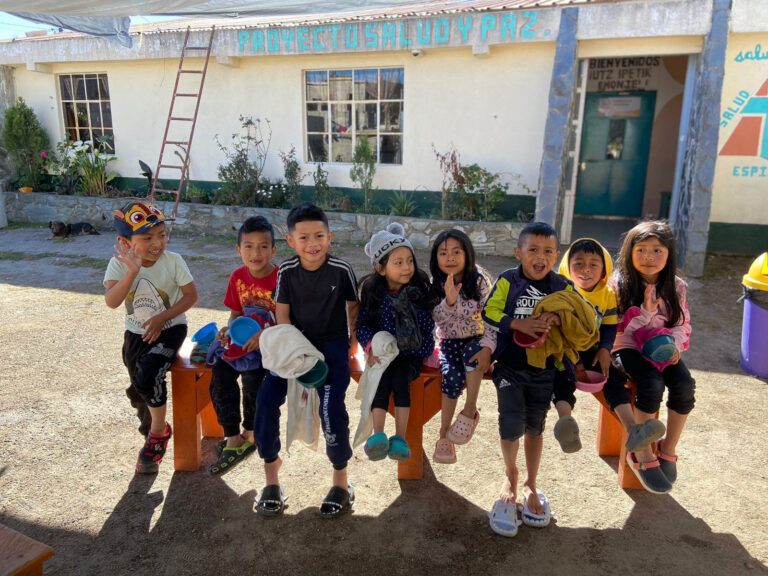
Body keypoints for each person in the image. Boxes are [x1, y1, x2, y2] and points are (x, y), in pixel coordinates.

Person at [253, 203, 359, 518]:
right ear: (290, 240)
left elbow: (353, 306)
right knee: (266, 400)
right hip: (294, 346)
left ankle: (341, 482)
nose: (312, 244)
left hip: (333, 346)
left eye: (318, 236)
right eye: (304, 238)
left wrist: (353, 340)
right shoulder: (286, 271)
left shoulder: (341, 270)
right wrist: (295, 358)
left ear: (330, 236)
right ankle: (272, 479)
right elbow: (282, 319)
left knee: (330, 408)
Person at [482, 222, 574, 534]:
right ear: (518, 252)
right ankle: (510, 475)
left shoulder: (563, 286)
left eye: (548, 251)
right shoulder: (508, 280)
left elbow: (579, 317)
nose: (540, 256)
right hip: (509, 367)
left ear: (556, 256)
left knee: (535, 426)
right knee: (510, 424)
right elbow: (489, 312)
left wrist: (558, 317)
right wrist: (515, 325)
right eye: (532, 249)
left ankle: (531, 484)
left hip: (545, 369)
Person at [104, 201, 198, 474]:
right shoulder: (118, 265)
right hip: (136, 334)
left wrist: (161, 318)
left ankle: (158, 433)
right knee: (139, 386)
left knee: (148, 376)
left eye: (162, 235)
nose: (157, 243)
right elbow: (111, 301)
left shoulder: (173, 261)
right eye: (147, 237)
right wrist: (132, 271)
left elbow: (192, 296)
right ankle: (150, 416)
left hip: (171, 328)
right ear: (125, 241)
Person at [604, 221, 694, 494]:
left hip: (662, 347)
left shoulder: (676, 286)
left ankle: (667, 448)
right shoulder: (618, 284)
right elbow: (615, 327)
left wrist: (676, 344)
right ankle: (641, 452)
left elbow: (682, 323)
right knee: (651, 382)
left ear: (669, 254)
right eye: (641, 250)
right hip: (626, 345)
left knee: (684, 384)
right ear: (629, 253)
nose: (649, 257)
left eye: (657, 250)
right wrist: (643, 310)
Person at [357, 223, 435, 462]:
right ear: (381, 268)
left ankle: (399, 438)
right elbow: (363, 324)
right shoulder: (373, 292)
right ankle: (378, 436)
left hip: (412, 352)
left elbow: (428, 324)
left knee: (401, 379)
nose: (407, 267)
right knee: (381, 378)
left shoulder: (418, 289)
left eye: (409, 261)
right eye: (398, 262)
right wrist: (369, 346)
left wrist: (409, 308)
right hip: (384, 352)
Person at [207, 216, 277, 476]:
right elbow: (236, 313)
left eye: (263, 246)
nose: (255, 253)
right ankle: (232, 436)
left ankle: (250, 435)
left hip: (269, 345)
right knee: (219, 376)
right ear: (239, 250)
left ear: (273, 249)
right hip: (241, 343)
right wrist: (228, 330)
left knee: (253, 381)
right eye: (248, 246)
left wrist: (265, 335)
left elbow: (286, 320)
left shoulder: (281, 277)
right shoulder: (237, 276)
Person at [429, 229, 496, 464]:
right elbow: (436, 318)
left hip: (476, 338)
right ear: (436, 258)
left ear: (467, 254)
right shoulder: (435, 283)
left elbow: (492, 317)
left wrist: (488, 347)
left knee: (472, 355)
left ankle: (470, 410)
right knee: (451, 377)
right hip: (448, 342)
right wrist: (448, 301)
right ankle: (443, 435)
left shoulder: (479, 280)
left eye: (456, 252)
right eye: (444, 252)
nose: (450, 258)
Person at [552, 238, 622, 453]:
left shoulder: (607, 295)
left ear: (603, 270)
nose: (585, 270)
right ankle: (565, 421)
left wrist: (605, 350)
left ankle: (632, 426)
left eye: (593, 264)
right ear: (567, 266)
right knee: (560, 378)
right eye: (579, 263)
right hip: (564, 350)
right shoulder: (561, 291)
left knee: (616, 377)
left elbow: (610, 326)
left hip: (593, 351)